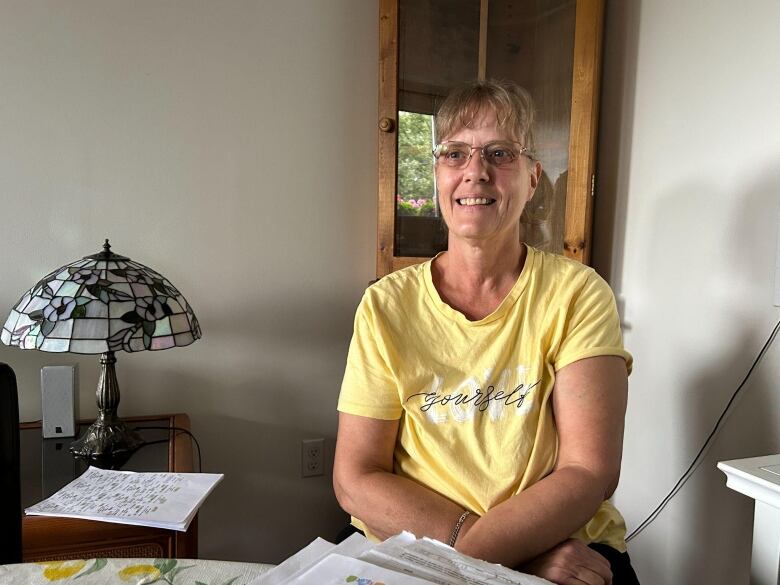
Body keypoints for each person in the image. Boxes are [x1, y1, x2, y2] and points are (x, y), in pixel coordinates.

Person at [333, 79, 639, 585]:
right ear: (437, 175)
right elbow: (355, 477)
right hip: (419, 545)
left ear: (534, 178)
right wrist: (500, 558)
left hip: (565, 547)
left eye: (500, 153)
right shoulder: (385, 304)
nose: (475, 172)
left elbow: (591, 470)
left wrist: (485, 557)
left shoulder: (577, 293)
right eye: (455, 153)